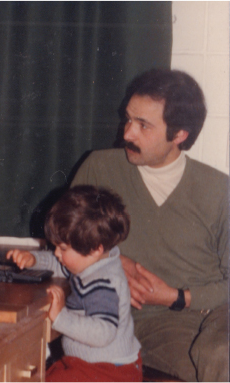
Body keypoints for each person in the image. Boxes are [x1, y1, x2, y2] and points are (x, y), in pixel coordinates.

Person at [70, 68, 228, 382]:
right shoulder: (100, 169)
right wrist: (112, 259)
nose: (127, 133)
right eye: (128, 119)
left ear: (179, 134)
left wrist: (178, 296)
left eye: (144, 125)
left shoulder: (219, 190)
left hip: (219, 313)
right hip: (154, 322)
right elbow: (62, 244)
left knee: (221, 353)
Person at [7, 185, 142, 382]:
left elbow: (103, 333)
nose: (57, 253)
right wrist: (33, 260)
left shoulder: (103, 282)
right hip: (92, 363)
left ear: (95, 248)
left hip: (111, 371)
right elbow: (59, 264)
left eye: (62, 248)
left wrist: (61, 317)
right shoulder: (90, 262)